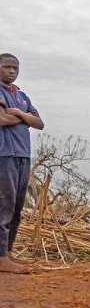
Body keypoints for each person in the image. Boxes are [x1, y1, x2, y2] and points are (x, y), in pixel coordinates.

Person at [0, 53, 44, 274]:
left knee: (17, 207)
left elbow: (39, 123)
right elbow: (2, 119)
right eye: (7, 67)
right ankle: (0, 258)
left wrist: (17, 112)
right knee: (4, 206)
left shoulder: (22, 95)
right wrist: (25, 117)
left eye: (15, 68)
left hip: (23, 155)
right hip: (4, 154)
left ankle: (7, 252)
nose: (12, 71)